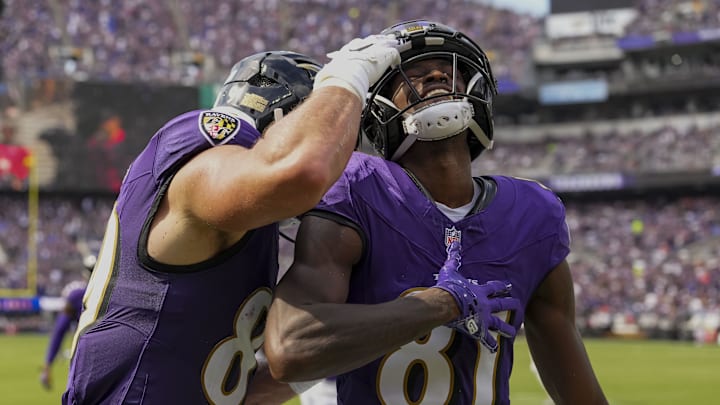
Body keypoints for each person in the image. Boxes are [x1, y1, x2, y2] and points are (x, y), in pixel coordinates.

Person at [265, 20, 609, 405]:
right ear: (376, 111)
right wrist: (436, 306)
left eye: (450, 72)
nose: (435, 75)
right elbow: (290, 346)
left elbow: (576, 387)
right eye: (412, 74)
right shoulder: (356, 190)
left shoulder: (533, 214)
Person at [62, 36, 403, 405]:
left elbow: (228, 387)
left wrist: (337, 345)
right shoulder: (209, 141)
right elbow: (302, 172)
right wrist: (346, 78)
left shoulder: (243, 225)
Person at [39, 255, 94, 390]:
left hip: (86, 357)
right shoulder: (118, 291)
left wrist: (48, 364)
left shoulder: (77, 294)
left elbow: (60, 329)